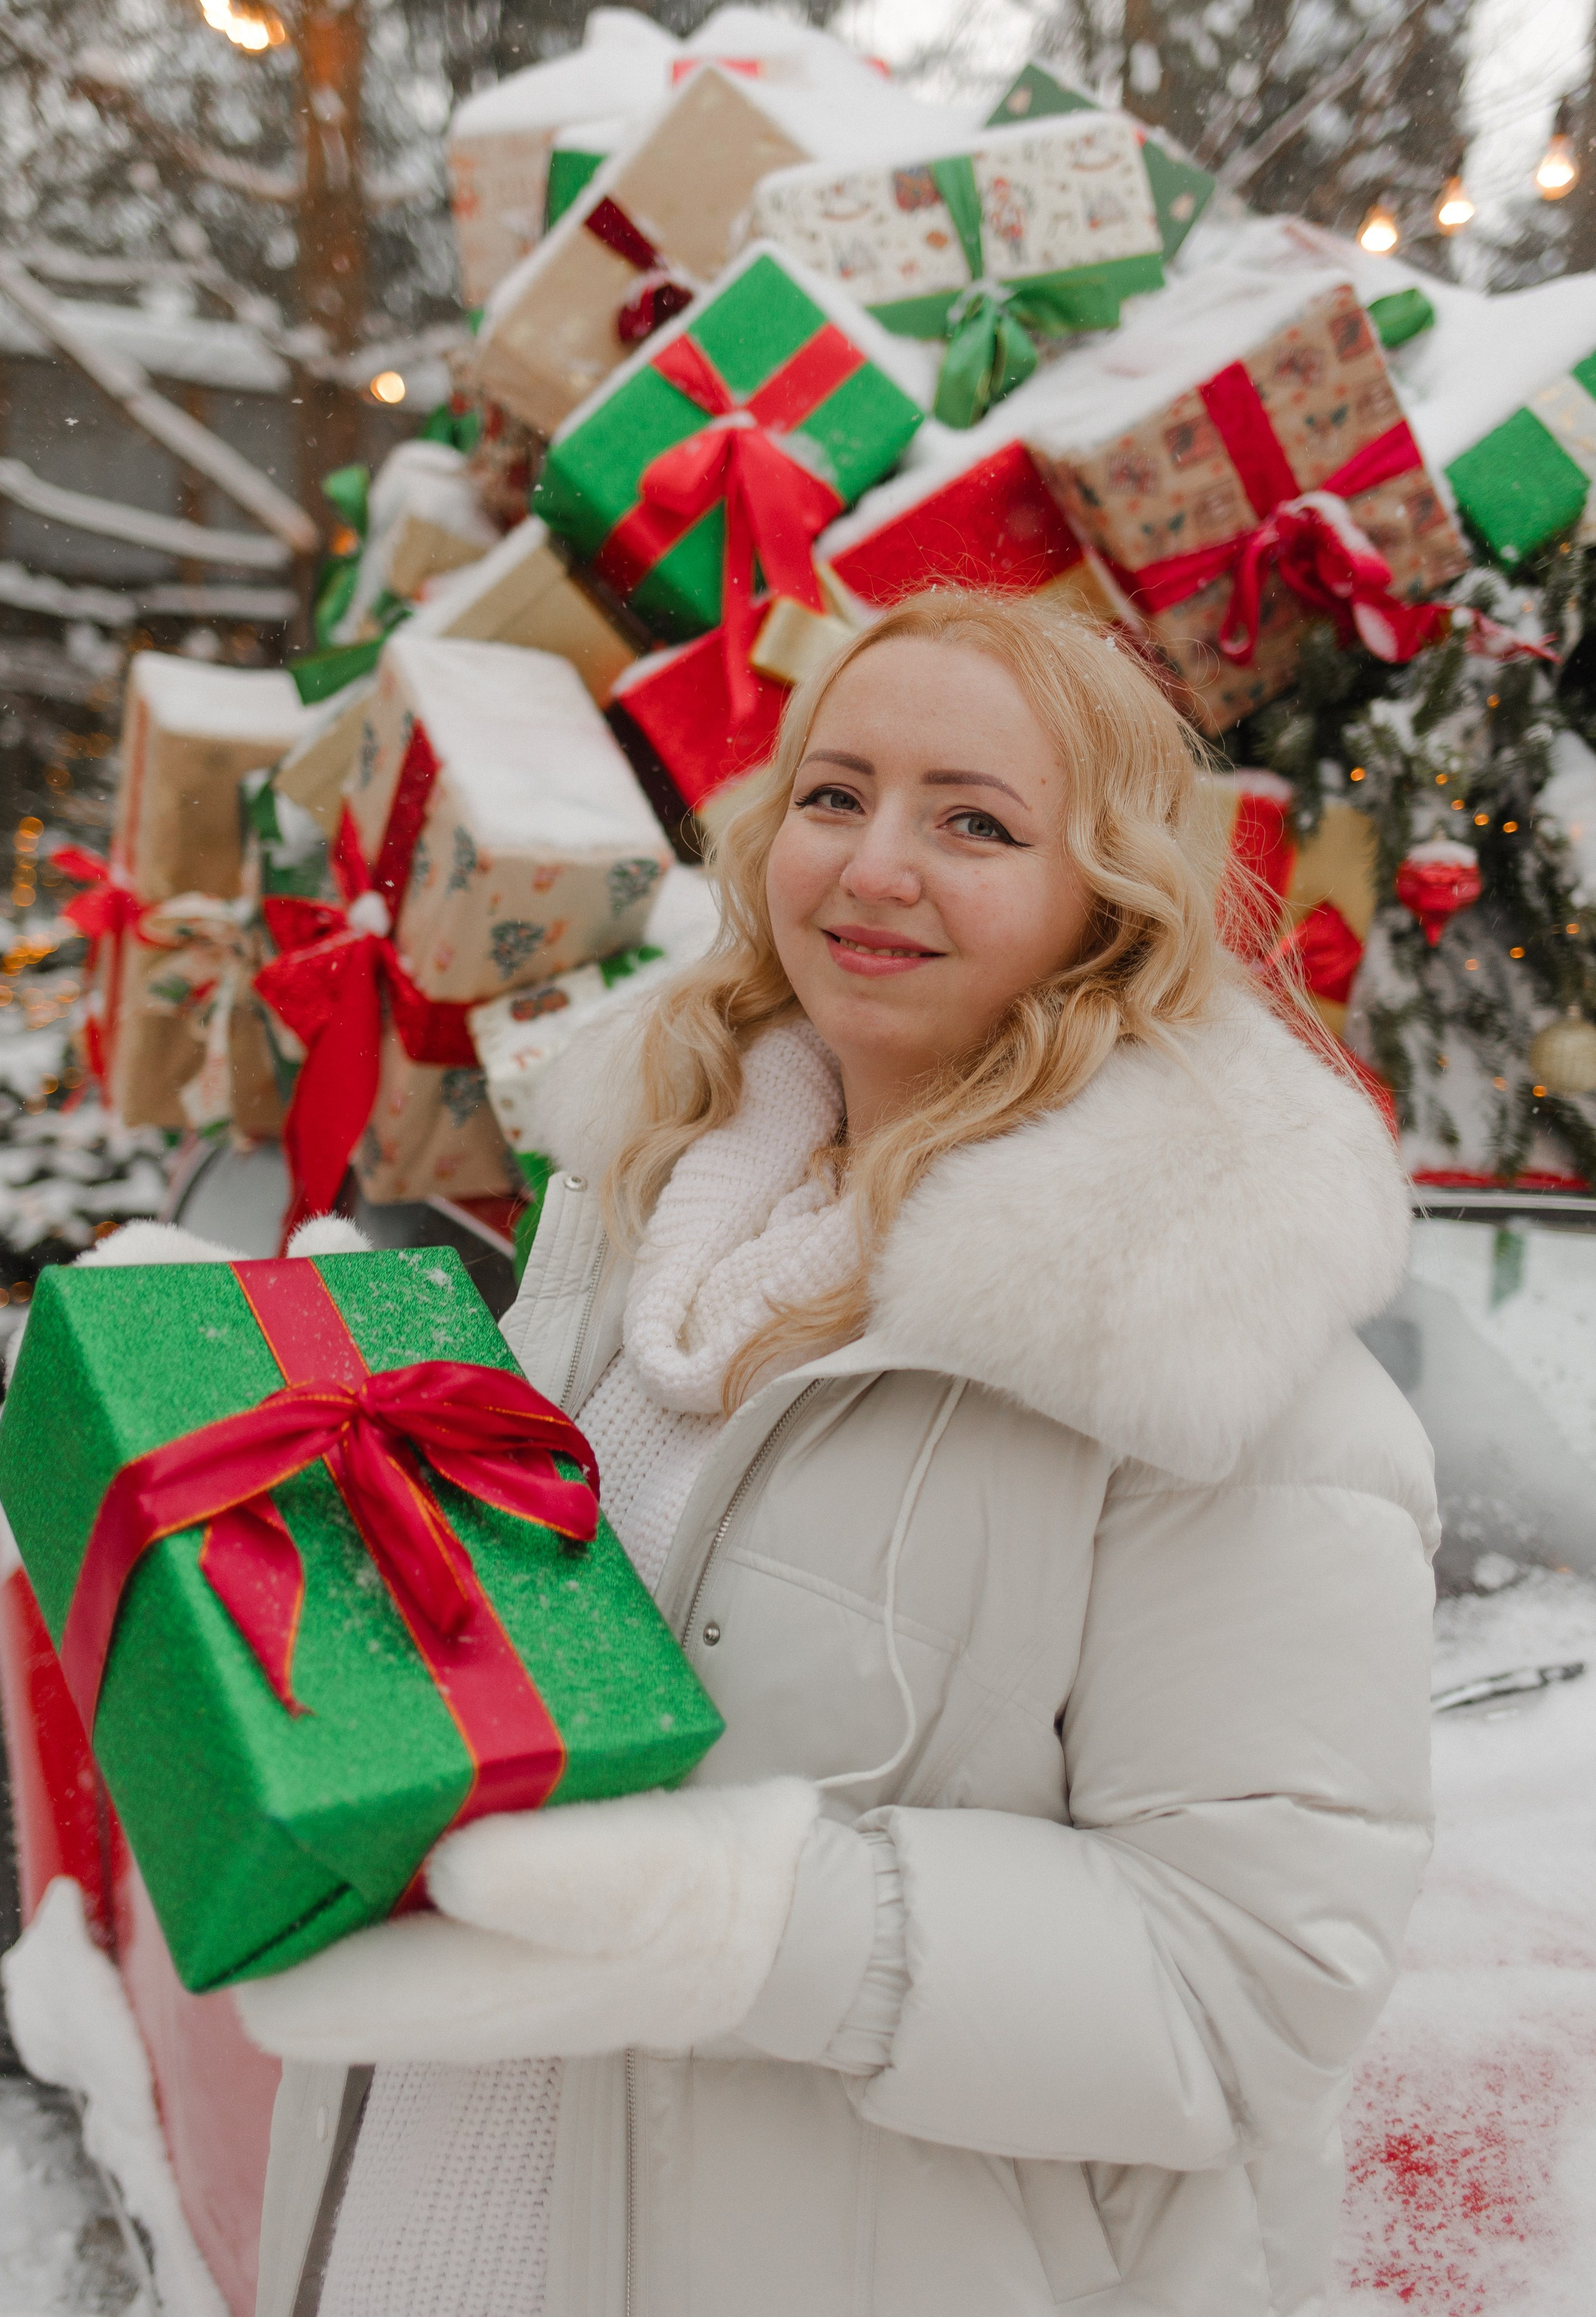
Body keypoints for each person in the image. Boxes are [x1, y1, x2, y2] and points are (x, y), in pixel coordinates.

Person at [241, 592, 1437, 2317]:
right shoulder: (627, 1239)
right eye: (833, 793)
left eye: (975, 822)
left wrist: (749, 1926)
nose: (876, 866)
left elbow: (1247, 1991)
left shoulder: (1206, 1370)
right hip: (419, 2231)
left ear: (1104, 902)